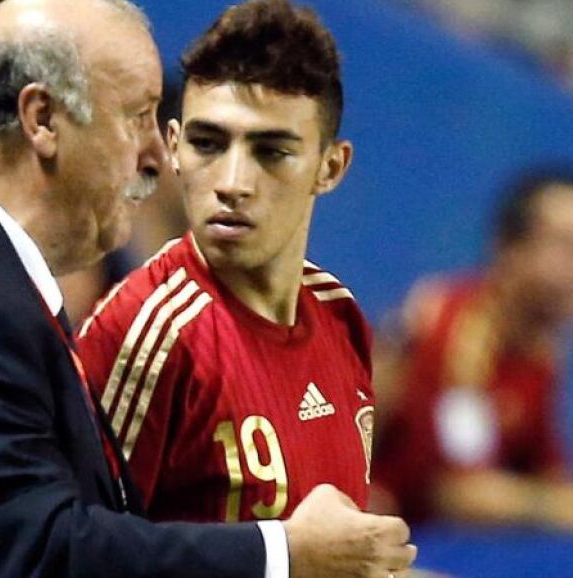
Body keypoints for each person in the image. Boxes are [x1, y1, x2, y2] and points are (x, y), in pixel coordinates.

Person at [0, 1, 417, 577]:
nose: (156, 158)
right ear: (42, 119)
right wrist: (284, 557)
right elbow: (40, 556)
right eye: (137, 117)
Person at [77, 0, 375, 525]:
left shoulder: (340, 315)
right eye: (208, 144)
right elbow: (75, 549)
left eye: (271, 152)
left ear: (330, 167)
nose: (233, 183)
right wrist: (283, 557)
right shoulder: (146, 334)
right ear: (172, 148)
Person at [371, 167, 573, 529]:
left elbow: (549, 484)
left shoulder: (540, 353)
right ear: (508, 249)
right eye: (570, 249)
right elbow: (460, 494)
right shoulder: (454, 332)